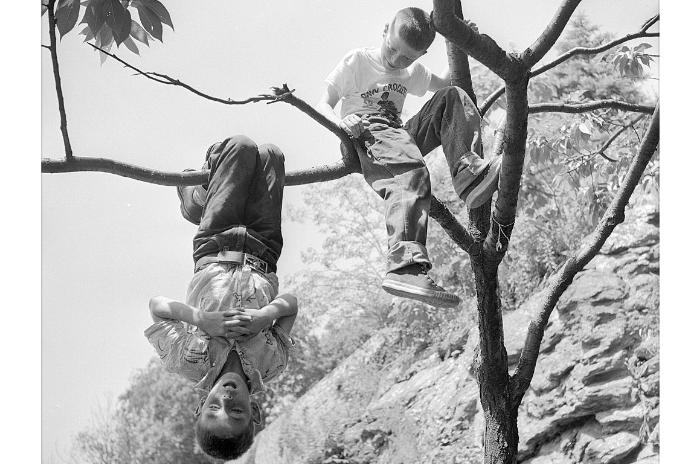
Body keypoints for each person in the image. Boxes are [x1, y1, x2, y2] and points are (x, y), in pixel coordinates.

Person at [316, 7, 501, 309]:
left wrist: (458, 39)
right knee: (412, 174)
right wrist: (342, 122)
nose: (396, 60)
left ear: (421, 54)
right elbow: (323, 103)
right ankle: (405, 266)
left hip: (397, 134)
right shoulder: (358, 61)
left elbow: (446, 82)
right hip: (366, 130)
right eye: (393, 49)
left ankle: (468, 173)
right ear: (385, 29)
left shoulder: (411, 72)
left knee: (453, 96)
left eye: (407, 57)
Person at [145, 135, 298, 461]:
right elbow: (291, 305)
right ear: (254, 411)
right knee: (271, 154)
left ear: (201, 405)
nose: (227, 398)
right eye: (237, 411)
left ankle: (196, 200)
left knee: (240, 147)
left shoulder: (187, 361)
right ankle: (202, 199)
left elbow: (157, 308)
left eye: (214, 407)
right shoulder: (271, 365)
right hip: (264, 250)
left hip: (215, 248)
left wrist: (200, 319)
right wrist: (265, 315)